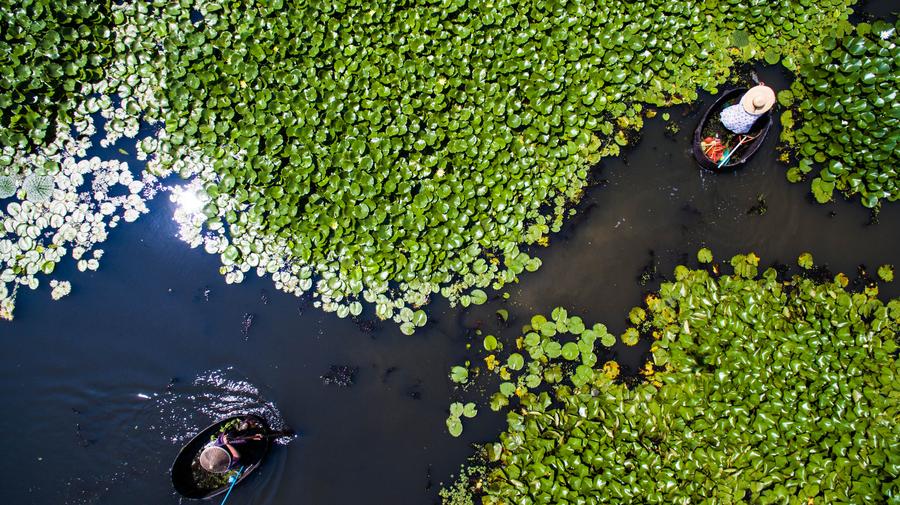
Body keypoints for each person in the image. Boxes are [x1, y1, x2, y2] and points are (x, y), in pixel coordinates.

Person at [198, 418, 264, 474]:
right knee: (249, 446)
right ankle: (256, 435)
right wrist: (227, 444)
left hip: (235, 441)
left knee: (231, 434)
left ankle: (246, 428)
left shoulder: (215, 448)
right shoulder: (227, 464)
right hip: (244, 453)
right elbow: (237, 456)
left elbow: (221, 439)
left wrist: (225, 438)